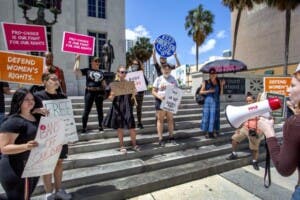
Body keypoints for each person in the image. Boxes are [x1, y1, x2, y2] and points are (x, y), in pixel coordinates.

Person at [258, 65, 300, 200]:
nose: (288, 90)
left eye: (293, 85)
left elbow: (284, 168)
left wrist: (269, 132)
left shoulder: (294, 123)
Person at [34, 73, 71, 200]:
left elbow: (67, 116)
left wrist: (70, 133)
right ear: (44, 81)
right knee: (47, 164)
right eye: (53, 79)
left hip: (61, 134)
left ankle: (59, 189)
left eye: (58, 79)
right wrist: (37, 111)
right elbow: (27, 111)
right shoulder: (37, 96)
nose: (57, 81)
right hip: (45, 135)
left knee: (59, 163)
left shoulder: (63, 96)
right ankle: (48, 192)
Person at [0, 88, 39, 200]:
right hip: (16, 167)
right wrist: (26, 146)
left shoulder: (34, 117)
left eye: (32, 99)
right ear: (18, 101)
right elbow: (4, 148)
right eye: (26, 99)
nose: (30, 101)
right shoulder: (13, 121)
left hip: (31, 165)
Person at [103, 65, 139, 154]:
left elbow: (132, 98)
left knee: (132, 127)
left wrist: (134, 93)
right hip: (117, 107)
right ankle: (122, 146)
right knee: (119, 128)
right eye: (122, 72)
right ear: (118, 73)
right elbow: (109, 98)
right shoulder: (113, 84)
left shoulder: (129, 83)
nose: (124, 74)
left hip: (127, 107)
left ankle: (134, 144)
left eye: (125, 72)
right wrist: (112, 95)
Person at [226, 93, 264, 170]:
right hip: (245, 128)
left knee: (254, 148)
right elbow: (242, 119)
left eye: (250, 101)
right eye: (247, 101)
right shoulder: (246, 108)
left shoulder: (259, 108)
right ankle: (234, 153)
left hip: (255, 130)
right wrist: (238, 128)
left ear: (254, 100)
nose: (248, 102)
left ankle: (254, 161)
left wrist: (260, 131)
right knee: (234, 139)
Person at [74, 55, 107, 133]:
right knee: (86, 110)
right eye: (96, 61)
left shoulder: (101, 73)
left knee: (100, 110)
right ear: (91, 62)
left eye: (99, 62)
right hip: (89, 92)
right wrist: (77, 60)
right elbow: (76, 71)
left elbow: (104, 84)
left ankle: (100, 126)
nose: (97, 63)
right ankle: (84, 127)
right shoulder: (88, 70)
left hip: (99, 93)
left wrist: (106, 91)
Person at [152, 63, 179, 146]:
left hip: (170, 101)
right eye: (165, 69)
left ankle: (171, 137)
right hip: (160, 101)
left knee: (170, 120)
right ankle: (160, 139)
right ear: (162, 70)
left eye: (168, 69)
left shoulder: (173, 79)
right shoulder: (158, 79)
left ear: (170, 70)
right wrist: (159, 97)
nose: (166, 71)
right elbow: (153, 91)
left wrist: (177, 101)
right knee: (160, 120)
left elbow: (177, 91)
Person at [200, 67, 225, 138]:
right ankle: (207, 132)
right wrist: (209, 91)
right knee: (207, 116)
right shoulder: (206, 82)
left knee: (215, 117)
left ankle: (213, 131)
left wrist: (222, 86)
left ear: (216, 74)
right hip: (208, 101)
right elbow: (201, 92)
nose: (212, 75)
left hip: (216, 101)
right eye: (211, 73)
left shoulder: (219, 82)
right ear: (209, 75)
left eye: (214, 73)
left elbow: (221, 93)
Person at [127, 59, 147, 129]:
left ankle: (139, 122)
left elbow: (146, 83)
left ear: (138, 66)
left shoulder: (141, 74)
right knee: (130, 108)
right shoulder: (128, 73)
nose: (135, 65)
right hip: (131, 94)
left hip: (139, 94)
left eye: (136, 64)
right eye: (133, 64)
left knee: (139, 109)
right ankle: (131, 122)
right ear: (131, 65)